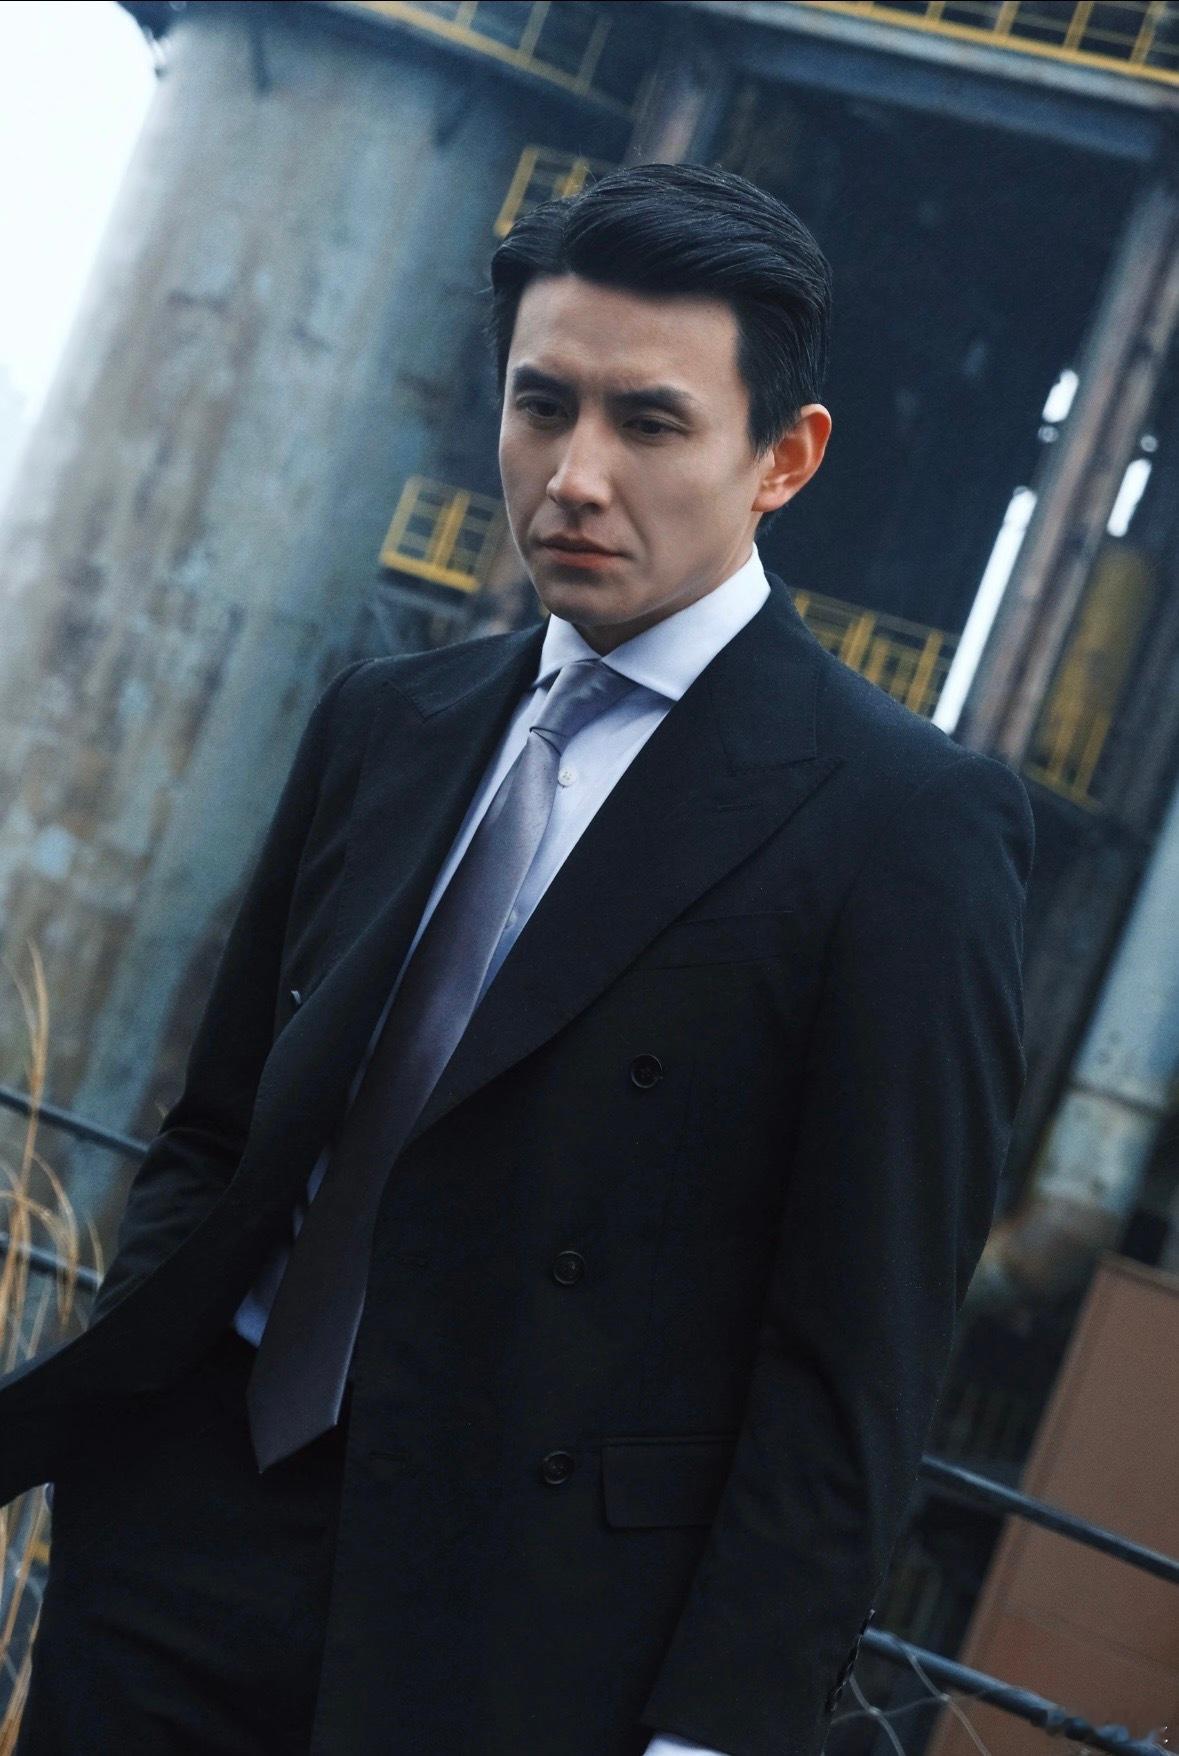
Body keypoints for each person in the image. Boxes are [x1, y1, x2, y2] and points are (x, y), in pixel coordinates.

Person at [3, 161, 1033, 1756]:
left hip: (514, 1633)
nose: (574, 475)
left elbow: (853, 1367)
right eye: (541, 405)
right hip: (178, 1542)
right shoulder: (385, 722)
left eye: (650, 423)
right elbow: (219, 1128)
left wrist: (713, 1733)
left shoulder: (905, 824)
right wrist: (144, 1431)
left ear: (786, 457)